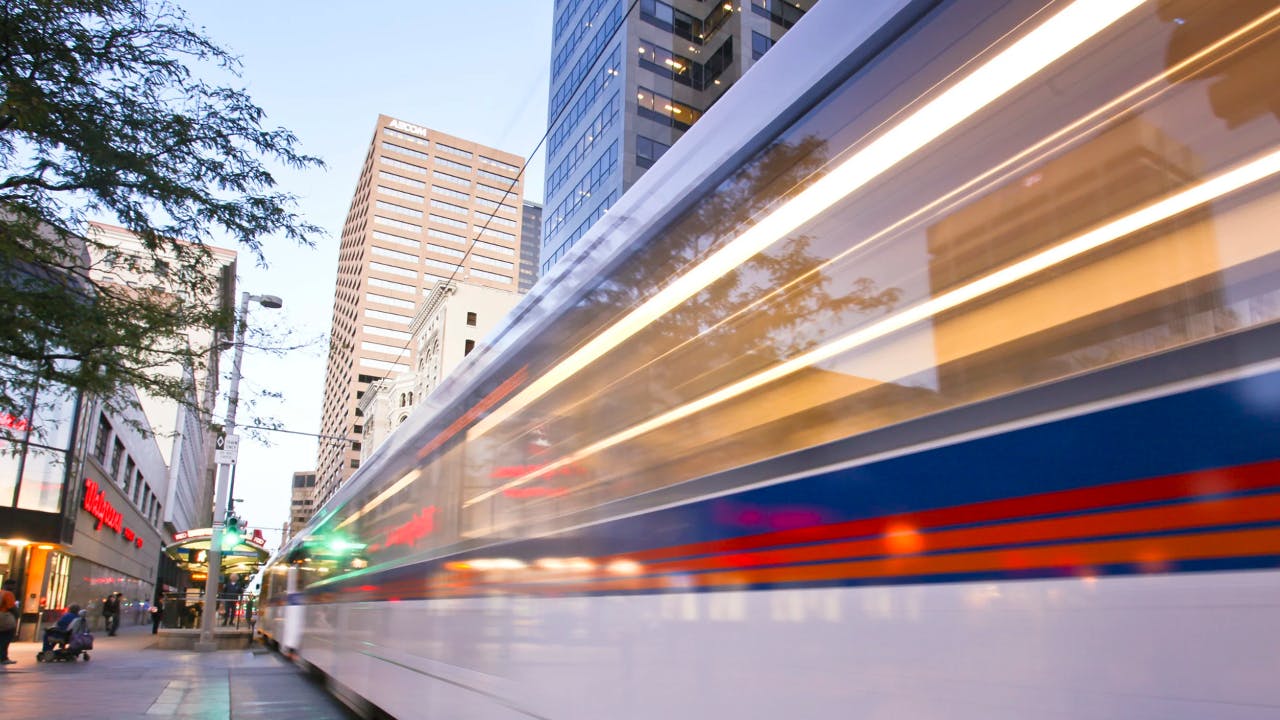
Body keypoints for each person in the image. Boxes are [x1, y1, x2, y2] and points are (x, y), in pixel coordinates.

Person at [0, 579, 19, 665]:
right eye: (13, 586)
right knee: (6, 638)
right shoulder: (8, 594)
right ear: (9, 585)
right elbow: (11, 607)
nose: (14, 588)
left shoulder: (1, 592)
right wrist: (16, 616)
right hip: (5, 619)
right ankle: (3, 658)